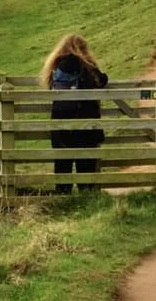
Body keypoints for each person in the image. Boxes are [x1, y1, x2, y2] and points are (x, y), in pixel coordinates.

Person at [42, 32, 108, 192]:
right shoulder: (86, 66)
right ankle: (86, 193)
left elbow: (50, 87)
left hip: (60, 123)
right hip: (85, 121)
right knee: (85, 160)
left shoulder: (55, 66)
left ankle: (63, 193)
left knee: (62, 160)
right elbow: (102, 81)